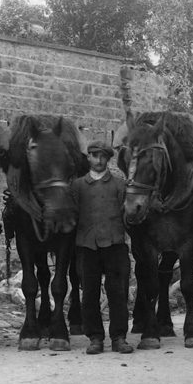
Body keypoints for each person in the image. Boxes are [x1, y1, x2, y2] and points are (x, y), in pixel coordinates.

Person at [71, 140, 134, 354]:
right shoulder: (78, 186)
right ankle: (95, 338)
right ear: (88, 158)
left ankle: (119, 337)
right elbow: (73, 214)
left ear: (108, 159)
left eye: (103, 156)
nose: (99, 160)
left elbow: (128, 214)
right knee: (89, 294)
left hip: (114, 244)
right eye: (94, 156)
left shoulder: (119, 185)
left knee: (117, 293)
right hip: (87, 246)